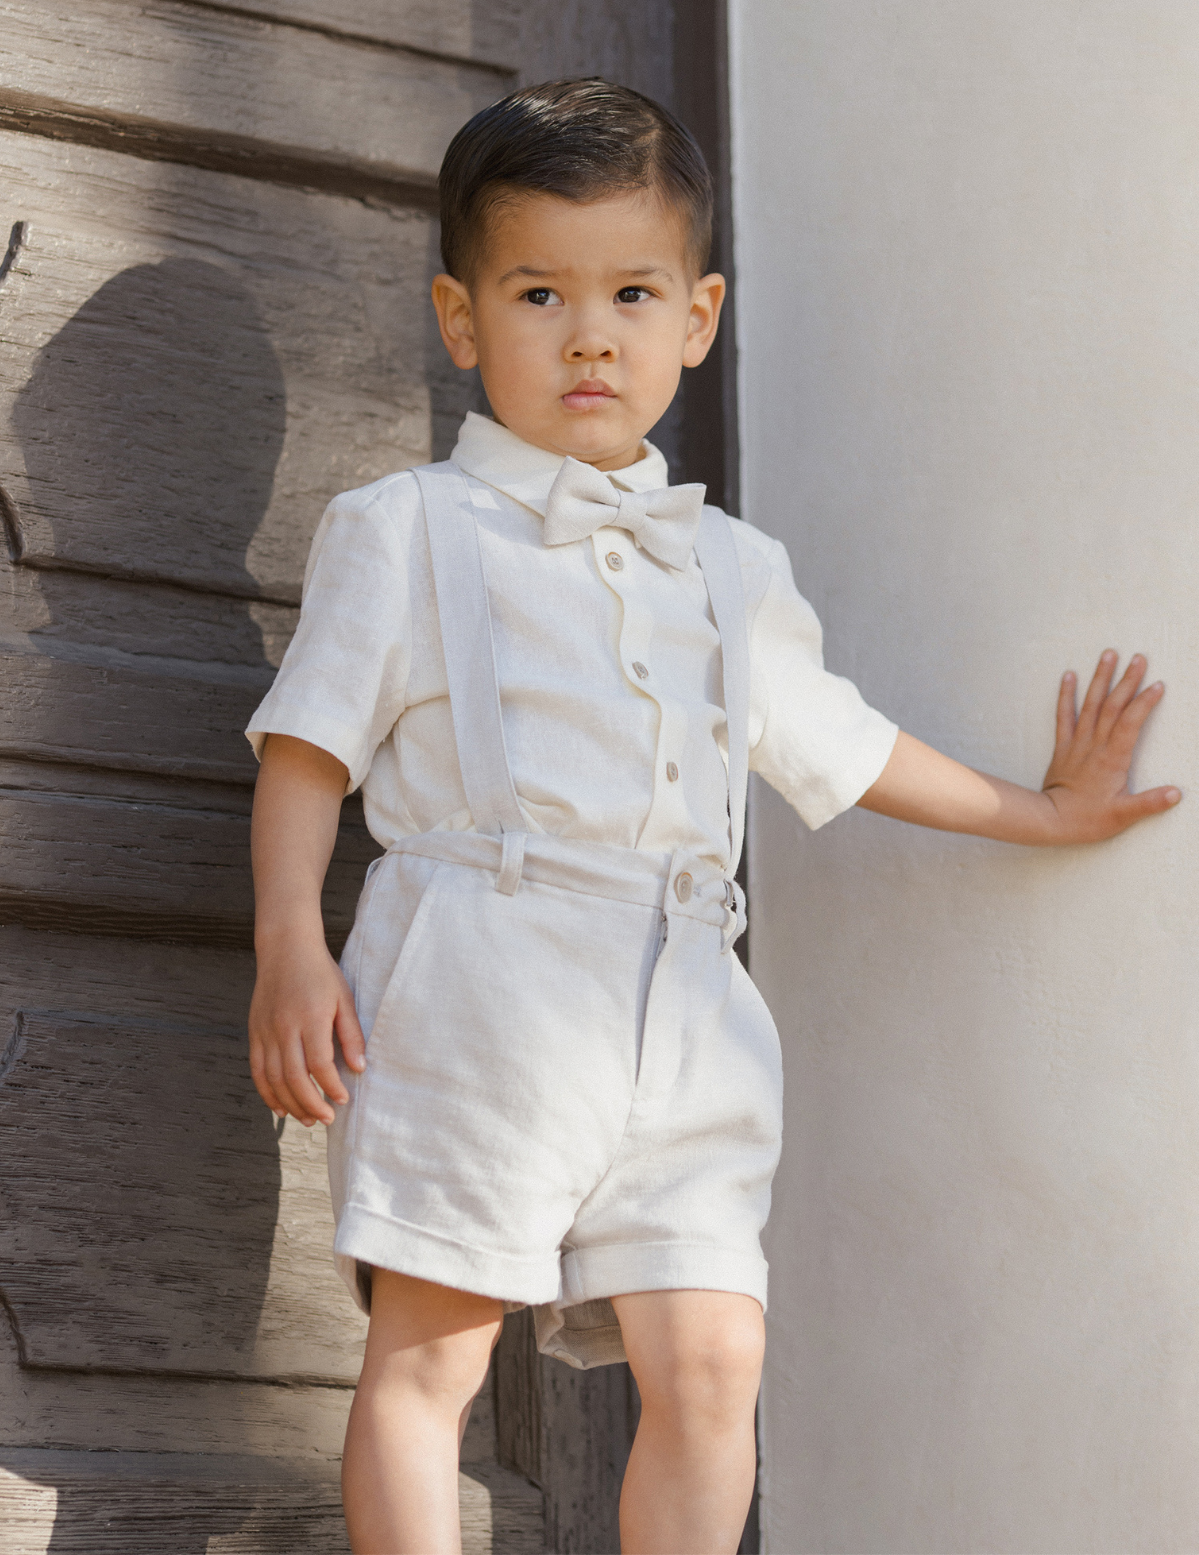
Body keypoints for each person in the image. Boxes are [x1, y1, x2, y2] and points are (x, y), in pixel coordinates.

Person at [244, 79, 1179, 1555]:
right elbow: (306, 754)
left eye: (631, 291)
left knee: (717, 1361)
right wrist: (290, 945)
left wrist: (1041, 813)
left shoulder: (731, 567)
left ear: (697, 314)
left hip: (687, 1000)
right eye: (539, 291)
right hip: (479, 965)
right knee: (434, 1355)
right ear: (461, 316)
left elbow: (841, 745)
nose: (590, 333)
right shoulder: (404, 528)